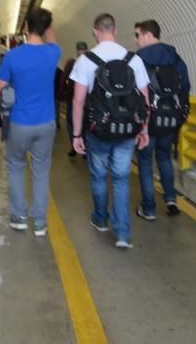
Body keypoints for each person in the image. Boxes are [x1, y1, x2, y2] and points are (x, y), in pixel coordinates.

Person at [70, 13, 150, 249]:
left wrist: (76, 134)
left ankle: (101, 219)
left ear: (95, 31)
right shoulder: (133, 59)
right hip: (127, 130)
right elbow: (144, 99)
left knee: (98, 176)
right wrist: (143, 129)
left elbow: (78, 101)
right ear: (114, 31)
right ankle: (123, 233)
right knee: (121, 179)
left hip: (98, 131)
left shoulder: (85, 60)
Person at [0, 8, 61, 237]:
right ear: (47, 27)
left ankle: (19, 217)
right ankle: (39, 222)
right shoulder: (54, 52)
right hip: (46, 123)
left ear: (26, 27)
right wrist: (47, 26)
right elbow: (52, 38)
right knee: (40, 171)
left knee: (16, 167)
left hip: (19, 123)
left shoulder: (13, 56)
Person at [134, 19, 190, 218]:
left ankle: (149, 208)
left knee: (145, 162)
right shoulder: (175, 58)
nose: (136, 40)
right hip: (170, 119)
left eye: (138, 35)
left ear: (149, 35)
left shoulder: (138, 59)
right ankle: (171, 199)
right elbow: (185, 87)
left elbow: (133, 91)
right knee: (165, 158)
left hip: (148, 120)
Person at [59, 41, 88, 156]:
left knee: (71, 123)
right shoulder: (90, 63)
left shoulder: (71, 63)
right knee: (84, 124)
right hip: (86, 100)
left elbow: (63, 80)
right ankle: (84, 148)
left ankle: (74, 146)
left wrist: (61, 95)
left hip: (73, 99)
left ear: (76, 50)